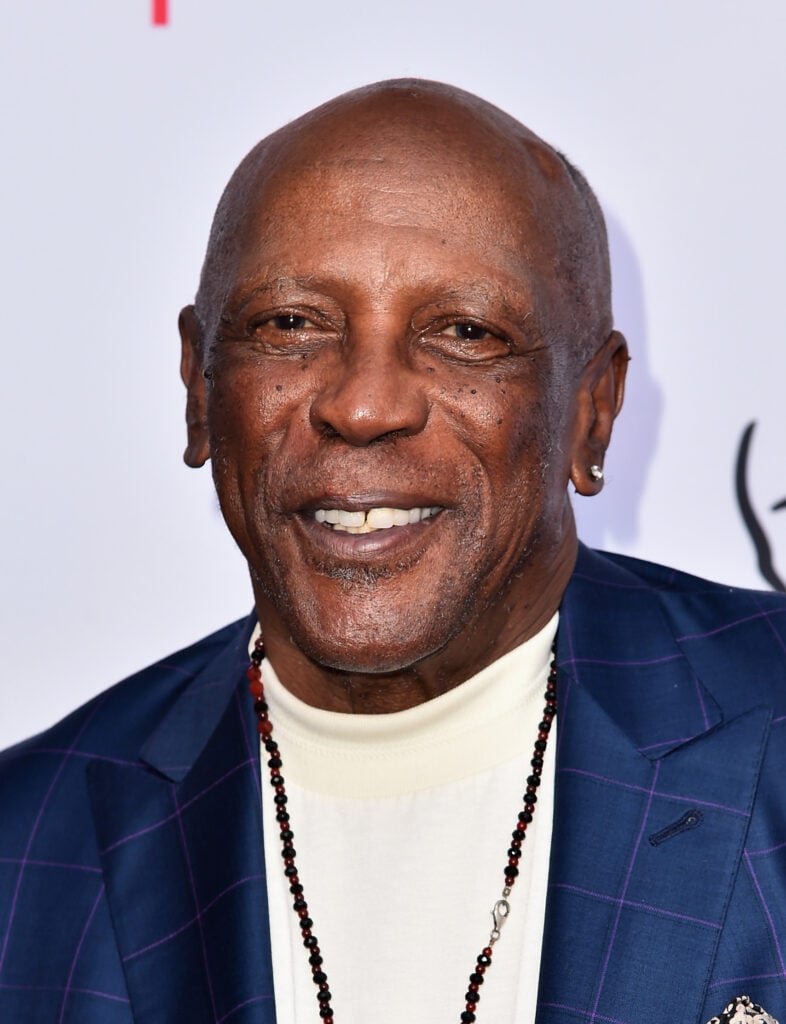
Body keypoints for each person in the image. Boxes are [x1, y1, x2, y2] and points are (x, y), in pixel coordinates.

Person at [0, 79, 784, 1024]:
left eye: (465, 333)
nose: (364, 405)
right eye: (290, 324)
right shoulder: (26, 848)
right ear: (199, 387)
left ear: (593, 411)